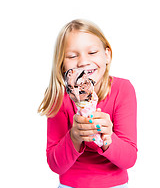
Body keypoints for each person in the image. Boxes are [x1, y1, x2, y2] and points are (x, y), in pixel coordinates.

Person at [38, 19, 137, 188]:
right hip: (71, 184)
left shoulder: (123, 89)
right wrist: (74, 136)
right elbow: (55, 165)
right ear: (62, 65)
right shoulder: (59, 97)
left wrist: (108, 138)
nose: (83, 62)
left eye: (92, 52)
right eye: (72, 56)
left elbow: (129, 160)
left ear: (107, 55)